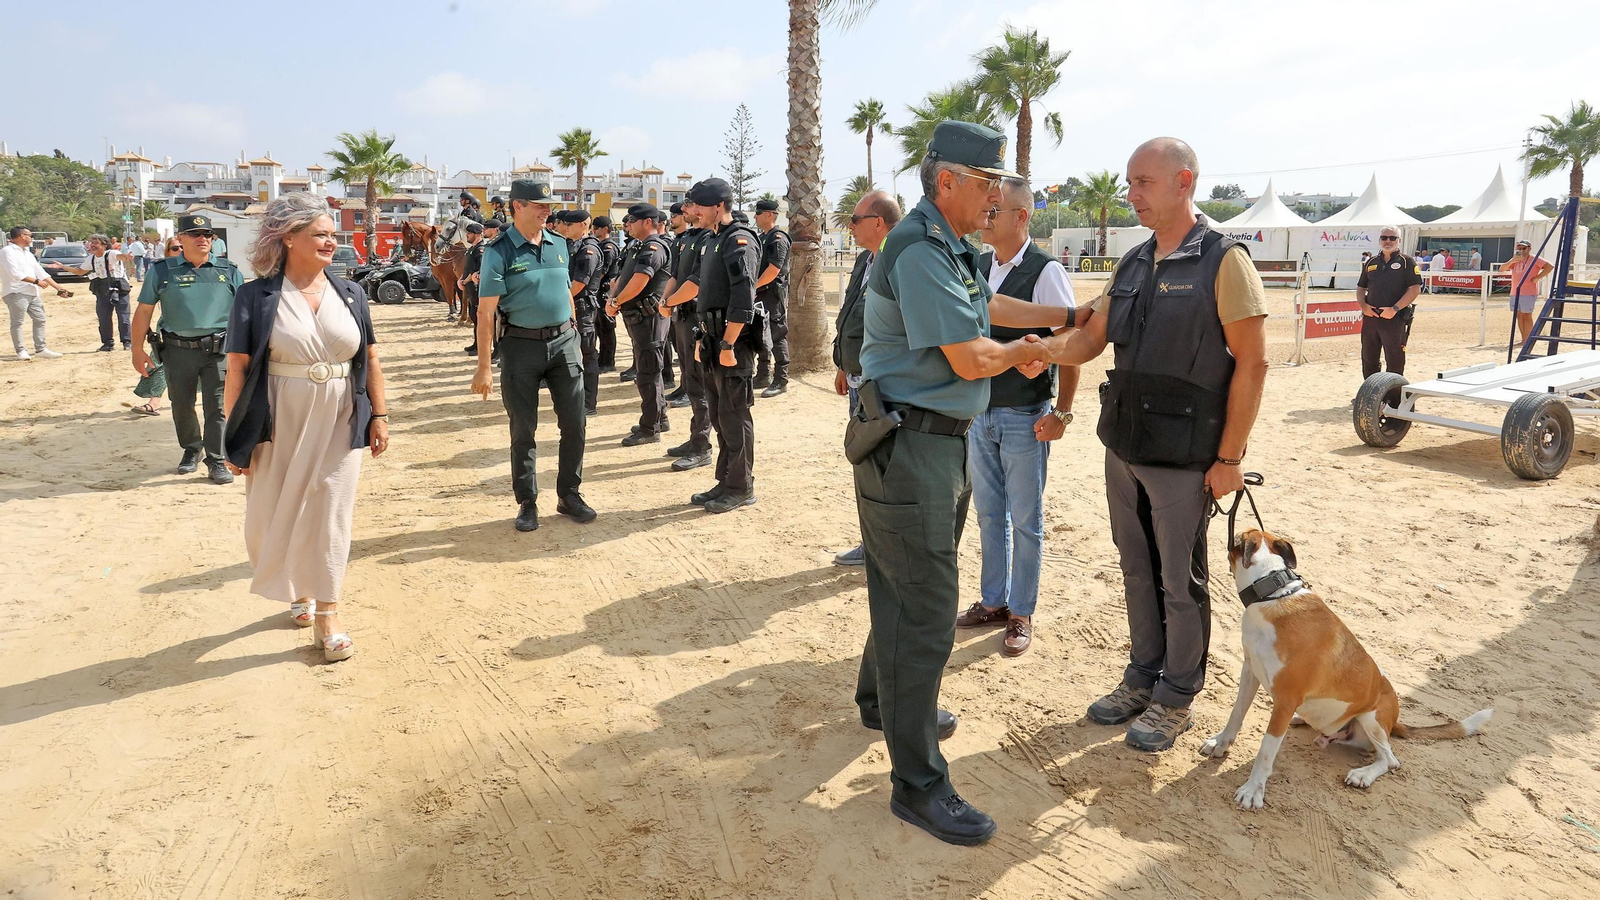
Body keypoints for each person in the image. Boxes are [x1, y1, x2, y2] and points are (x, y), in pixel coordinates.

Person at [851, 121, 1073, 845]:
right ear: (946, 180)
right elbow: (975, 354)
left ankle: (884, 704)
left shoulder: (948, 247)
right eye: (988, 183)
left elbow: (994, 309)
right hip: (912, 443)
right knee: (925, 606)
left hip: (930, 443)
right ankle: (918, 784)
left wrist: (1071, 316)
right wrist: (1035, 350)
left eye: (1002, 183)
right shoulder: (918, 247)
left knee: (900, 586)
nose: (999, 196)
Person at [1036, 136, 1269, 753]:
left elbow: (1253, 365)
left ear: (1184, 181)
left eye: (1143, 182)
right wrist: (1036, 353)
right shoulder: (1135, 262)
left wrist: (1230, 459)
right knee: (1136, 569)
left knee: (1178, 579)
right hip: (1126, 446)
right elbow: (1092, 340)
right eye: (1131, 182)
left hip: (1186, 455)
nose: (1132, 193)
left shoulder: (1224, 260)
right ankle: (1142, 676)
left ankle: (1176, 694)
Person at [222, 192, 389, 663]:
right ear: (288, 237)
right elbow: (236, 367)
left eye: (333, 235)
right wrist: (234, 436)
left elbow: (369, 357)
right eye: (320, 234)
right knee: (269, 512)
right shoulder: (254, 296)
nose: (331, 242)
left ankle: (328, 613)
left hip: (340, 414)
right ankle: (295, 586)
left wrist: (380, 414)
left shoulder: (350, 292)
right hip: (278, 415)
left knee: (331, 512)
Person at [956, 177, 1081, 658]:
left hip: (1026, 415)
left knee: (1026, 519)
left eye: (996, 210)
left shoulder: (1045, 270)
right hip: (980, 414)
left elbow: (1070, 344)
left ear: (1022, 217)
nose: (987, 217)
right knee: (990, 515)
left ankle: (1021, 610)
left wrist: (1062, 414)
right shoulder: (980, 266)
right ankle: (993, 601)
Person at [471, 179, 595, 532]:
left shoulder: (559, 244)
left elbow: (564, 290)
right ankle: (527, 501)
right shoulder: (499, 251)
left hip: (564, 345)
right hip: (520, 347)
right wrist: (483, 366)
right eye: (540, 204)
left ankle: (569, 494)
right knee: (523, 429)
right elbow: (485, 313)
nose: (547, 210)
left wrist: (571, 328)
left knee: (575, 423)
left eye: (548, 205)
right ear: (518, 206)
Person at [132, 213, 244, 483]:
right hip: (177, 350)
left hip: (218, 351)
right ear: (181, 239)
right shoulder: (161, 271)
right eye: (195, 234)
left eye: (207, 234)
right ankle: (191, 449)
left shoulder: (228, 271)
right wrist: (137, 350)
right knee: (181, 404)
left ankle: (216, 459)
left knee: (217, 407)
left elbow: (244, 314)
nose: (202, 239)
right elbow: (144, 310)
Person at [683, 178, 764, 513]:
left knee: (734, 415)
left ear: (719, 206)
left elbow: (743, 296)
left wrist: (729, 342)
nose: (692, 212)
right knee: (718, 415)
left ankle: (741, 486)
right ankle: (725, 481)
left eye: (698, 206)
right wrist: (704, 338)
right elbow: (709, 291)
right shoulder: (712, 239)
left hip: (735, 341)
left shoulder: (739, 240)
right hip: (713, 338)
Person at [830, 191, 900, 567]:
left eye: (855, 220)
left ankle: (883, 548)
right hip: (859, 379)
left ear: (878, 222)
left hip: (884, 384)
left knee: (883, 468)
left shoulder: (899, 261)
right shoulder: (865, 259)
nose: (850, 227)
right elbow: (851, 313)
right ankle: (871, 543)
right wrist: (844, 363)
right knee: (864, 462)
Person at [607, 204, 674, 446]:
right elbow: (624, 278)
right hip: (639, 318)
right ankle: (659, 418)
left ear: (647, 222)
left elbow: (640, 280)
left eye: (632, 220)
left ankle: (650, 428)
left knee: (648, 374)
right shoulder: (638, 246)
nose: (628, 225)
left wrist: (615, 300)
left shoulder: (654, 247)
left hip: (650, 319)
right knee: (648, 371)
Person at [659, 195, 716, 472]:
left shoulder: (709, 239)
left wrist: (670, 303)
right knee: (690, 381)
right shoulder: (684, 239)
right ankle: (696, 437)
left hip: (696, 316)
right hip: (681, 315)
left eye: (690, 205)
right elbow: (674, 276)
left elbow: (696, 281)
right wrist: (665, 301)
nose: (684, 210)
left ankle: (702, 445)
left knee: (700, 383)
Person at [125, 238, 185, 415]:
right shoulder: (161, 272)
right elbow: (144, 308)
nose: (180, 250)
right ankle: (155, 401)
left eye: (183, 247)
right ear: (168, 252)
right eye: (175, 248)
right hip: (168, 329)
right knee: (158, 362)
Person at [1356, 226, 1422, 378]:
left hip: (1394, 319)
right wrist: (1364, 306)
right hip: (1371, 319)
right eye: (1384, 238)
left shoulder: (1407, 262)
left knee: (1395, 361)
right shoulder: (1371, 262)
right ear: (1379, 240)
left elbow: (1415, 289)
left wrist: (1394, 309)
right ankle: (1371, 395)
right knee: (1368, 360)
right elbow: (1360, 288)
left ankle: (1393, 398)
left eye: (1392, 238)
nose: (1388, 241)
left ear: (1399, 241)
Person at [556, 210, 605, 416]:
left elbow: (579, 283)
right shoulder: (572, 245)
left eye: (571, 224)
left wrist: (559, 300)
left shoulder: (589, 249)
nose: (566, 228)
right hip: (571, 305)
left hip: (582, 308)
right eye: (565, 224)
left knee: (587, 355)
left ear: (583, 225)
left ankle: (588, 402)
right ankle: (576, 398)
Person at [48, 233, 132, 351]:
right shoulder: (91, 258)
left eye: (95, 243)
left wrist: (126, 257)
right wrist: (63, 267)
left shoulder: (111, 253)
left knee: (123, 317)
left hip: (118, 288)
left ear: (104, 244)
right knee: (103, 318)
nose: (92, 245)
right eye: (91, 243)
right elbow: (80, 271)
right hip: (102, 290)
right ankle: (107, 343)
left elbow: (120, 257)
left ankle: (127, 342)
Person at [2, 226, 70, 361]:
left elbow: (40, 271)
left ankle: (41, 349)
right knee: (17, 322)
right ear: (22, 236)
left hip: (32, 292)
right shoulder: (7, 251)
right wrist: (36, 281)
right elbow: (15, 274)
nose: (31, 238)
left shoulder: (27, 253)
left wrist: (59, 288)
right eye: (30, 235)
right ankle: (21, 350)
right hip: (16, 291)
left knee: (40, 319)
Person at [752, 198, 792, 396]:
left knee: (776, 334)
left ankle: (781, 379)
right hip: (760, 294)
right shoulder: (761, 238)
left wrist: (752, 287)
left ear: (770, 215)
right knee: (761, 334)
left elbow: (774, 269)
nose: (755, 217)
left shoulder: (778, 238)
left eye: (758, 213)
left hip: (772, 294)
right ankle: (762, 375)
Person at [664, 202, 693, 405]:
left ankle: (690, 392)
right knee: (681, 351)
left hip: (689, 301)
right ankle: (684, 386)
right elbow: (674, 273)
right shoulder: (678, 241)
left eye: (675, 216)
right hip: (677, 302)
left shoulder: (693, 239)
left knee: (691, 354)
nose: (672, 219)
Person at [1500, 238, 1554, 345]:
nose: (1521, 250)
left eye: (1524, 248)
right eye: (1519, 248)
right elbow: (1502, 268)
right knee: (1519, 315)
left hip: (1528, 292)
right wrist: (1512, 260)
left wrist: (1538, 277)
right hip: (1515, 291)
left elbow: (1550, 266)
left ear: (1529, 249)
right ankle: (1523, 339)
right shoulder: (1516, 259)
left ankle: (1528, 340)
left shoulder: (1534, 258)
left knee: (1527, 315)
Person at [460, 218, 502, 356]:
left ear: (476, 234)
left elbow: (478, 271)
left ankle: (494, 349)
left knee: (488, 320)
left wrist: (464, 281)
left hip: (479, 289)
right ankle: (477, 344)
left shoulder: (481, 249)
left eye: (469, 233)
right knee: (475, 317)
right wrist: (462, 279)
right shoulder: (472, 249)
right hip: (472, 290)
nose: (467, 235)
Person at [592, 216, 621, 374]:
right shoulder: (600, 245)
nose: (594, 230)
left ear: (605, 229)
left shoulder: (608, 247)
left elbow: (602, 271)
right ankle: (602, 360)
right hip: (599, 292)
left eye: (597, 227)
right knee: (599, 327)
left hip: (605, 292)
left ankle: (608, 361)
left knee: (606, 328)